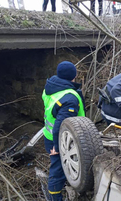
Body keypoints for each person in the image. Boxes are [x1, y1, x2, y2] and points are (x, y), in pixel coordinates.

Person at [42, 61, 86, 201]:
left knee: (60, 167)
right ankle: (55, 198)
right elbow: (60, 124)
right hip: (61, 140)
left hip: (49, 135)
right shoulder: (69, 98)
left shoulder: (51, 87)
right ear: (74, 76)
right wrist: (57, 145)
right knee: (58, 171)